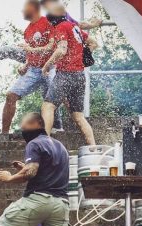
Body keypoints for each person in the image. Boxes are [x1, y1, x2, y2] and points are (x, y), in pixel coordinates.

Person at [41, 5, 97, 145]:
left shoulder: (61, 27)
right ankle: (94, 148)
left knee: (48, 106)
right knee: (78, 116)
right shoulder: (75, 28)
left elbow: (61, 50)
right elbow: (94, 43)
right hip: (79, 75)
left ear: (52, 21)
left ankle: (44, 144)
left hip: (66, 74)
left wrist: (46, 65)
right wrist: (82, 57)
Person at [0, 0, 58, 133]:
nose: (22, 11)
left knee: (56, 98)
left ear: (33, 8)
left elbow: (51, 46)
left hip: (50, 68)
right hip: (34, 70)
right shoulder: (27, 31)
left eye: (25, 8)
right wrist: (25, 65)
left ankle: (61, 127)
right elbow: (30, 53)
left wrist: (30, 49)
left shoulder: (47, 23)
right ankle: (4, 134)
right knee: (11, 95)